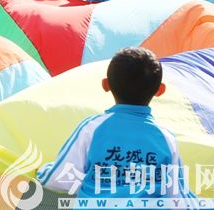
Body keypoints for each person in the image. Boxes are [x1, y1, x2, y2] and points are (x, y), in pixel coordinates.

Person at [37, 47, 195, 200]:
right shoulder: (166, 139)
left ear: (106, 85)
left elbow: (58, 179)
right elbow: (179, 196)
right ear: (160, 90)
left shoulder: (91, 128)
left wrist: (42, 171)